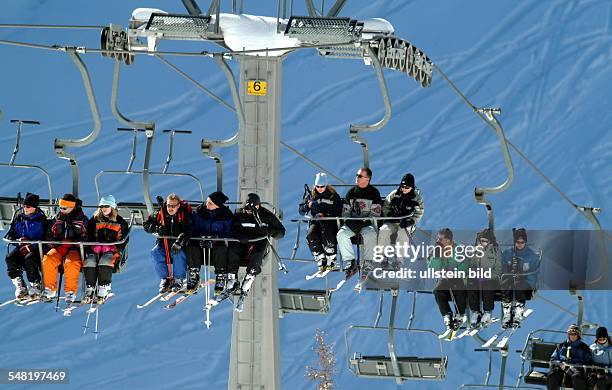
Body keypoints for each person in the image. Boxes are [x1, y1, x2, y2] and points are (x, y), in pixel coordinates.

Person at [227, 193, 285, 301]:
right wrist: (239, 235)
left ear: (258, 207)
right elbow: (232, 228)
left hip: (258, 242)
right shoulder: (240, 214)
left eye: (250, 210)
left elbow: (281, 232)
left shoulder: (266, 216)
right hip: (243, 241)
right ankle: (232, 278)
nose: (248, 212)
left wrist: (269, 231)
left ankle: (249, 277)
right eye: (246, 210)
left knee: (257, 254)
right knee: (233, 250)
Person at [42, 194, 88, 303]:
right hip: (59, 247)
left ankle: (70, 291)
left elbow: (85, 238)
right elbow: (49, 235)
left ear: (72, 207)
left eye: (64, 208)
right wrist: (57, 245)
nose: (61, 210)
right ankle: (50, 288)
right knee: (48, 259)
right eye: (60, 207)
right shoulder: (57, 219)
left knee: (71, 263)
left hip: (74, 249)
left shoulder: (81, 220)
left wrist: (73, 244)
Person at [336, 167, 382, 276]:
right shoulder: (351, 193)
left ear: (367, 179)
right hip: (352, 223)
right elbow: (345, 211)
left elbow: (376, 212)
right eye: (357, 175)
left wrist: (364, 222)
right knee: (341, 234)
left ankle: (368, 262)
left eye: (360, 176)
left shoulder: (374, 193)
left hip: (367, 224)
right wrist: (350, 221)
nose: (356, 177)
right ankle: (351, 262)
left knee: (370, 234)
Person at [143, 193, 192, 293]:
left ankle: (178, 279)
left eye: (173, 206)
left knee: (177, 253)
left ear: (178, 206)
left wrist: (180, 241)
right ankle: (165, 279)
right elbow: (146, 224)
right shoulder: (160, 213)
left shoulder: (183, 214)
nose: (170, 208)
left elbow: (189, 230)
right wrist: (156, 228)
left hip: (179, 244)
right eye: (169, 205)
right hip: (164, 243)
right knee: (155, 253)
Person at [84, 195, 129, 303]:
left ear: (112, 207)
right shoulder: (95, 220)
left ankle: (104, 286)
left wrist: (115, 247)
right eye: (102, 206)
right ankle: (90, 287)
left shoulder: (120, 222)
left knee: (105, 261)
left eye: (106, 206)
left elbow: (124, 239)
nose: (104, 208)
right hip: (96, 248)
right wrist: (92, 245)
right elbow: (88, 234)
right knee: (89, 261)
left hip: (112, 249)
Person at [5, 193, 47, 299]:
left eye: (27, 206)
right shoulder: (19, 217)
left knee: (30, 259)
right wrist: (18, 241)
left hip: (37, 248)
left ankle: (35, 285)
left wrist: (31, 245)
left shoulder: (41, 220)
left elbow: (46, 237)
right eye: (23, 206)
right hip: (22, 247)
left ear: (34, 207)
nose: (25, 208)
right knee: (10, 258)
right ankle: (20, 286)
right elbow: (11, 233)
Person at [191, 191, 233, 296]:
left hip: (216, 243)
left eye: (210, 203)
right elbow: (194, 228)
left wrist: (216, 238)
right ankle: (193, 272)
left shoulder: (226, 215)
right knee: (191, 246)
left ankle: (221, 274)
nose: (207, 205)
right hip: (202, 241)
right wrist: (201, 237)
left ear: (217, 205)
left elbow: (229, 232)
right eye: (207, 202)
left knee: (221, 248)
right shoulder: (199, 212)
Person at [378, 173, 424, 267]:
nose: (404, 189)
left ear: (412, 187)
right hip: (393, 222)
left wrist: (410, 221)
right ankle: (383, 257)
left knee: (402, 234)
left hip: (405, 224)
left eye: (407, 187)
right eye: (402, 186)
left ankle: (399, 260)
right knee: (384, 230)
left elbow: (419, 213)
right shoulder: (394, 194)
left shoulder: (416, 199)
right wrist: (391, 214)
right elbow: (385, 206)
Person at [427, 228, 468, 331]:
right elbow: (432, 268)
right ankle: (447, 315)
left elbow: (465, 266)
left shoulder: (459, 249)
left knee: (456, 286)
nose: (438, 241)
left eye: (440, 239)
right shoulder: (436, 250)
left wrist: (454, 272)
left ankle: (460, 314)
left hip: (459, 279)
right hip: (445, 279)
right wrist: (436, 256)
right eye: (438, 238)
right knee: (437, 291)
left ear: (448, 240)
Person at [302, 173, 342, 272]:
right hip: (316, 222)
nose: (320, 188)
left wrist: (327, 215)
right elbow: (301, 210)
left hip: (330, 221)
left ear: (326, 185)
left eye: (322, 186)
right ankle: (320, 257)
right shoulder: (311, 196)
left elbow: (339, 209)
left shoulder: (333, 196)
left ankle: (331, 257)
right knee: (311, 233)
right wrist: (308, 206)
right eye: (318, 186)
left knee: (326, 232)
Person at [501, 228, 539, 327]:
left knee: (519, 285)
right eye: (517, 242)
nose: (520, 244)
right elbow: (502, 268)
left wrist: (522, 277)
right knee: (505, 284)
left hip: (525, 283)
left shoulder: (531, 256)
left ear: (525, 242)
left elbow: (534, 273)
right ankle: (507, 312)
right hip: (510, 279)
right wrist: (509, 272)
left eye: (522, 242)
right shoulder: (507, 253)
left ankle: (518, 312)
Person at [467, 228, 502, 328]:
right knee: (470, 282)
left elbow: (498, 270)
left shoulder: (496, 251)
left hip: (492, 279)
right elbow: (472, 265)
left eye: (485, 241)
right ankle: (476, 312)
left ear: (490, 241)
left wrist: (486, 275)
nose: (482, 243)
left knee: (487, 284)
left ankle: (487, 312)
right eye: (481, 240)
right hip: (478, 278)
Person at [547, 324, 592, 390]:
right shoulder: (562, 345)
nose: (572, 336)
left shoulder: (584, 347)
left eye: (574, 334)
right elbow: (553, 358)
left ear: (578, 335)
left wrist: (579, 366)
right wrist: (560, 363)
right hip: (562, 368)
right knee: (552, 375)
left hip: (576, 369)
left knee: (577, 377)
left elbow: (588, 361)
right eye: (570, 334)